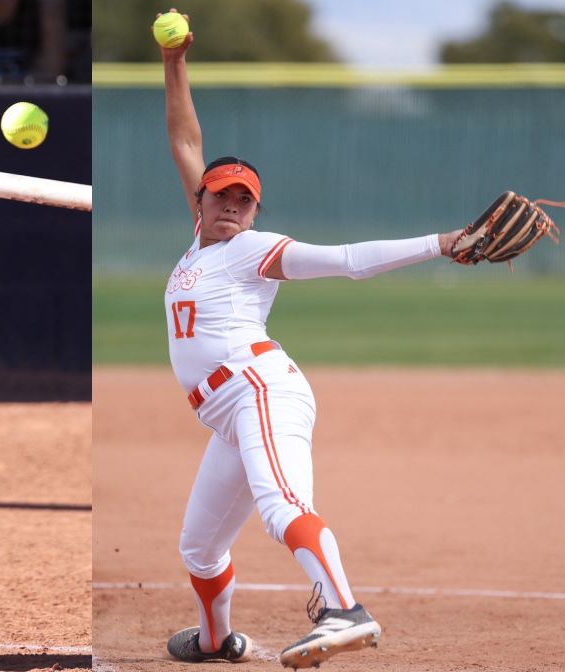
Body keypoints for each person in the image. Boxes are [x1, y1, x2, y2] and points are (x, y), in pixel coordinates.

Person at [156, 11, 465, 670]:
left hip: (257, 392)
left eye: (244, 199)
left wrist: (439, 243)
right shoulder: (198, 241)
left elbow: (350, 259)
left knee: (282, 508)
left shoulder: (252, 250)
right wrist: (173, 62)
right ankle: (215, 641)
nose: (232, 206)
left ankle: (343, 610)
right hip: (227, 418)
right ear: (200, 203)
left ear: (255, 211)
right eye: (220, 196)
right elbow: (185, 138)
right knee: (198, 548)